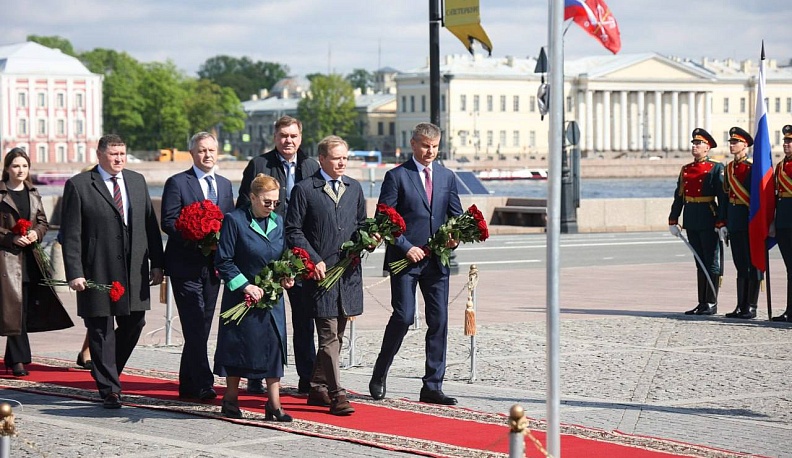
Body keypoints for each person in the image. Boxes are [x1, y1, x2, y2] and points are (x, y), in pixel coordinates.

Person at [61, 134, 164, 408]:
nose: (119, 159)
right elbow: (70, 234)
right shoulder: (79, 185)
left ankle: (104, 368)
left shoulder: (136, 181)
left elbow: (150, 226)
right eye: (113, 154)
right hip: (97, 268)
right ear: (99, 155)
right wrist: (75, 271)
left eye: (122, 154)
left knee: (135, 322)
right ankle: (110, 389)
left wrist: (158, 263)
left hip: (134, 269)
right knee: (100, 329)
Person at [369, 122, 463, 405]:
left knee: (440, 321)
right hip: (405, 261)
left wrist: (455, 238)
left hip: (436, 263)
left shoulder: (447, 177)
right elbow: (384, 219)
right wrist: (406, 247)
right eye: (425, 146)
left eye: (434, 147)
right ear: (413, 144)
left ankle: (432, 385)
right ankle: (380, 373)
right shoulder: (396, 176)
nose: (430, 152)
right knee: (404, 316)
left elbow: (455, 217)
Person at [237, 115, 320, 395]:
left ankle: (307, 378)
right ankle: (256, 375)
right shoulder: (259, 164)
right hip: (263, 251)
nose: (289, 141)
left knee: (303, 319)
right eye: (284, 135)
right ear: (275, 137)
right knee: (261, 318)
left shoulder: (311, 166)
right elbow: (242, 206)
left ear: (301, 137)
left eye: (293, 136)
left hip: (297, 255)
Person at [285, 135, 365, 416]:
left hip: (348, 275)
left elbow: (361, 224)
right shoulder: (305, 190)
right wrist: (313, 259)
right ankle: (337, 393)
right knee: (329, 336)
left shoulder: (354, 188)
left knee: (338, 335)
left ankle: (317, 385)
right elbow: (293, 230)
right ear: (322, 159)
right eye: (336, 157)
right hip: (319, 276)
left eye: (345, 157)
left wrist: (370, 237)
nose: (342, 162)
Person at [214, 174, 294, 421]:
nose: (271, 207)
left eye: (275, 203)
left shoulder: (278, 222)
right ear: (252, 198)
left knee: (274, 348)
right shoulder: (234, 221)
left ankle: (274, 403)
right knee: (239, 348)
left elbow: (283, 256)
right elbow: (223, 261)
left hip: (271, 298)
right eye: (266, 202)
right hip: (243, 298)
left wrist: (287, 275)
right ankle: (230, 398)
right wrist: (245, 286)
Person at [161, 132, 234, 400]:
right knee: (193, 322)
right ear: (192, 153)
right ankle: (204, 383)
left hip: (213, 268)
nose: (207, 155)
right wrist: (197, 236)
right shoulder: (178, 183)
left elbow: (230, 221)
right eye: (202, 150)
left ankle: (187, 382)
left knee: (202, 325)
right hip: (185, 265)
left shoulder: (224, 185)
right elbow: (168, 222)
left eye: (211, 150)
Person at [0, 148, 73, 376]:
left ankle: (13, 358)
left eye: (24, 166)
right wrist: (12, 237)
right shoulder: (1, 195)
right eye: (15, 166)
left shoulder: (33, 192)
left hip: (31, 259)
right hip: (7, 260)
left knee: (24, 307)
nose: (20, 170)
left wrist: (36, 234)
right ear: (7, 168)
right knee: (14, 309)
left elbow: (42, 221)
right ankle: (20, 360)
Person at [669, 128, 726, 316]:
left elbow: (722, 198)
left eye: (698, 143)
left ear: (707, 147)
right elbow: (679, 196)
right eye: (693, 143)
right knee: (699, 262)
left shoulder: (716, 168)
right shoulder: (686, 169)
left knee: (711, 262)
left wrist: (721, 222)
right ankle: (702, 302)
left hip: (709, 217)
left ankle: (711, 301)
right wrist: (673, 218)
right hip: (691, 218)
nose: (695, 146)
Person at [719, 127, 761, 319]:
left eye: (735, 142)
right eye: (730, 142)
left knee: (752, 264)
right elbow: (726, 198)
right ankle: (740, 305)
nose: (732, 145)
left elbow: (759, 198)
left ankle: (751, 306)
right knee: (740, 264)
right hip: (735, 222)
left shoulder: (752, 168)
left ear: (745, 145)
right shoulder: (729, 168)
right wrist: (724, 222)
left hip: (749, 221)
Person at [772, 124, 792, 322]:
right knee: (790, 268)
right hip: (783, 223)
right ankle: (790, 310)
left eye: (790, 141)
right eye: (785, 140)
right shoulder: (780, 167)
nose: (786, 144)